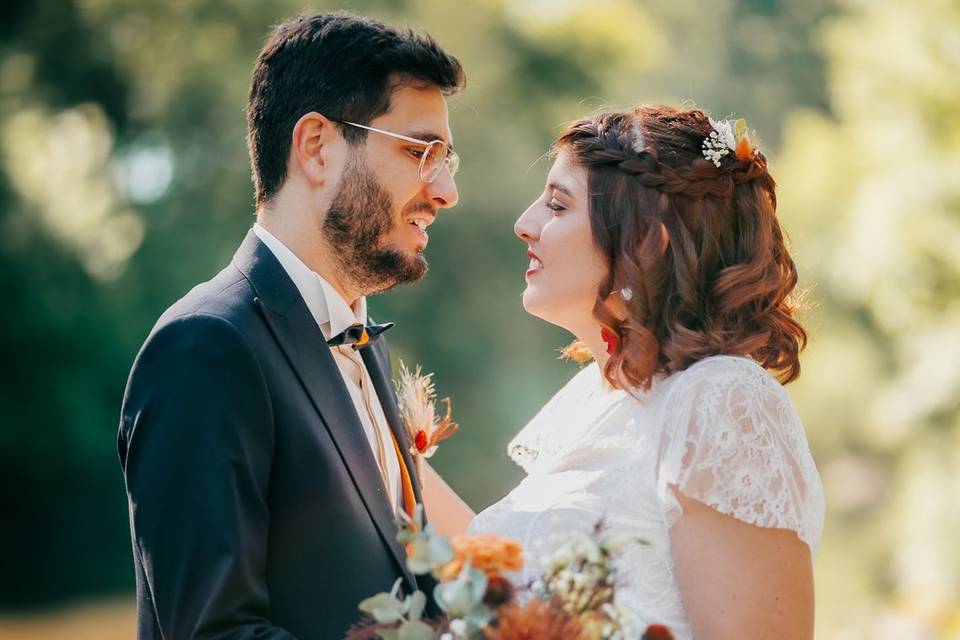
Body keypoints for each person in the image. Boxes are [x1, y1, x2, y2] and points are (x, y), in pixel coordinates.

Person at [117, 11, 469, 639]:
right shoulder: (206, 347)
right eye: (420, 152)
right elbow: (213, 633)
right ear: (316, 148)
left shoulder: (362, 347)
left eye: (446, 159)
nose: (444, 190)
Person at [467, 105, 825, 639]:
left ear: (644, 241)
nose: (525, 224)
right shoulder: (601, 400)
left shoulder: (719, 398)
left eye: (558, 206)